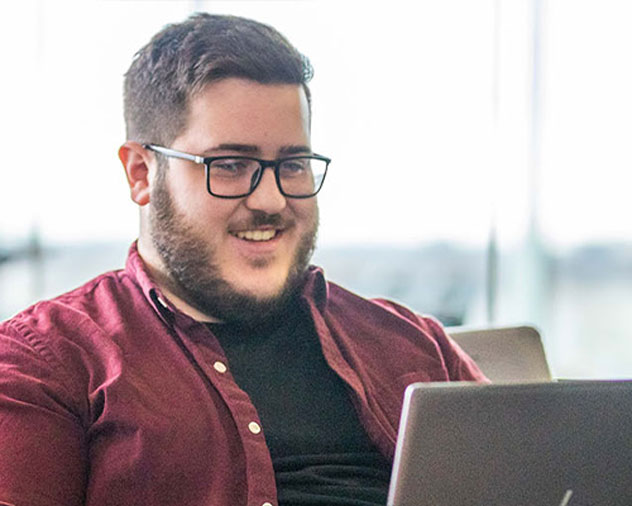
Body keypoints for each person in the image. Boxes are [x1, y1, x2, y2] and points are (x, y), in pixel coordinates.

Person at [0, 13, 486, 506]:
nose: (271, 200)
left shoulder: (416, 346)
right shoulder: (49, 363)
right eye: (231, 166)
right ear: (142, 173)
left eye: (292, 164)